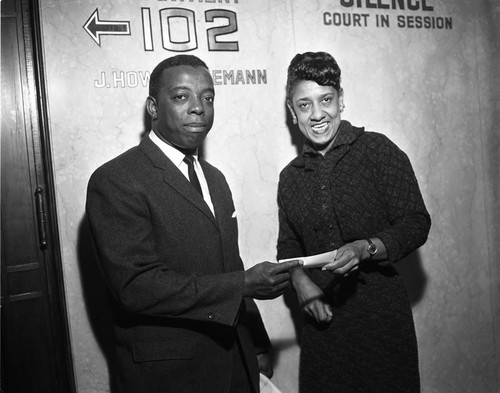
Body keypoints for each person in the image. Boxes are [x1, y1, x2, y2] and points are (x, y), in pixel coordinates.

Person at [86, 54, 301, 393]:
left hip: (235, 364)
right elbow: (136, 286)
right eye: (182, 96)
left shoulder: (215, 179)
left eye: (208, 97)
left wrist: (256, 343)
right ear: (153, 107)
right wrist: (243, 285)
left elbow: (231, 266)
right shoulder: (116, 180)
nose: (199, 107)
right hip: (171, 377)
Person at [277, 51, 431, 393]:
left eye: (326, 100)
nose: (317, 114)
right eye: (304, 105)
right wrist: (300, 281)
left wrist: (367, 247)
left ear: (341, 100)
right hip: (323, 327)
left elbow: (416, 222)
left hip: (382, 323)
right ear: (292, 113)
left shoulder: (377, 151)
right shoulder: (290, 178)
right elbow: (288, 246)